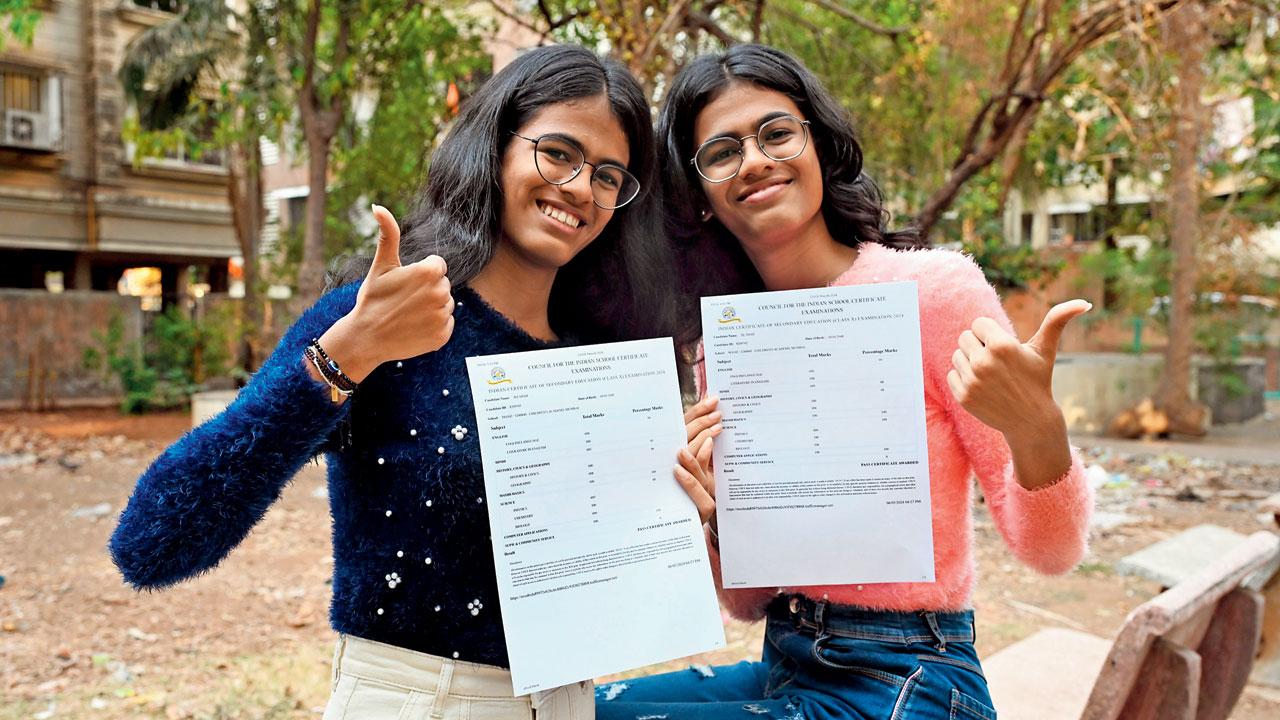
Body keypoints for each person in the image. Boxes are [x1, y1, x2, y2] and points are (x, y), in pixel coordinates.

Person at [110, 44, 686, 720]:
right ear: (495, 146)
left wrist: (683, 516)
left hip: (568, 702)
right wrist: (344, 356)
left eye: (610, 174)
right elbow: (151, 544)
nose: (582, 189)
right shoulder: (380, 316)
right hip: (418, 701)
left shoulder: (604, 358)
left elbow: (609, 586)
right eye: (558, 153)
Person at [596, 44, 1094, 720]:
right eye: (721, 152)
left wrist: (1040, 430)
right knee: (581, 709)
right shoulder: (726, 339)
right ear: (701, 197)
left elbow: (1052, 553)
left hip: (913, 675)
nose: (755, 161)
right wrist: (719, 522)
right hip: (788, 662)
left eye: (776, 133)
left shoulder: (935, 292)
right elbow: (749, 603)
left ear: (819, 148)